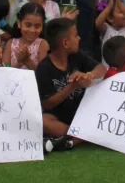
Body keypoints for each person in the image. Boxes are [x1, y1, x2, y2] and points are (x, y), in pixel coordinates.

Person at [34, 18, 106, 153]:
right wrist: (72, 86)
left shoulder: (77, 56)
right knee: (43, 120)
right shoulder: (44, 68)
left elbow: (101, 68)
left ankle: (67, 141)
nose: (79, 38)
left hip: (82, 112)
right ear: (65, 43)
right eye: (75, 35)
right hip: (60, 118)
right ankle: (80, 138)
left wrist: (88, 75)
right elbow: (47, 104)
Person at [95, 0, 125, 72]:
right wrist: (109, 8)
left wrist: (122, 7)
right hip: (108, 72)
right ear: (110, 18)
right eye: (121, 11)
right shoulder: (106, 29)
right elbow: (98, 23)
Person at [3, 2, 48, 70]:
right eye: (28, 25)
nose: (32, 30)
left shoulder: (42, 44)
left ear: (42, 26)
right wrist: (18, 63)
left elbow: (43, 73)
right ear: (19, 23)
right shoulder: (11, 43)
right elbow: (4, 68)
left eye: (37, 26)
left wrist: (27, 61)